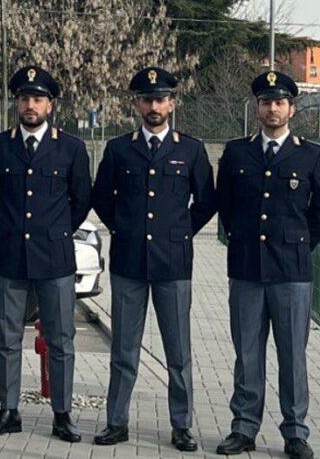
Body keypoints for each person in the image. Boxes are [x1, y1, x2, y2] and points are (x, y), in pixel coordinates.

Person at [91, 67, 217, 450]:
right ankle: (117, 421)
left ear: (172, 103)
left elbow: (207, 201)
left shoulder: (190, 149)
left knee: (178, 351)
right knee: (123, 349)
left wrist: (180, 233)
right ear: (136, 104)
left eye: (161, 99)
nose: (154, 106)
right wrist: (123, 229)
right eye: (147, 99)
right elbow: (101, 198)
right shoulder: (118, 149)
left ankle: (181, 425)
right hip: (129, 262)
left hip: (173, 265)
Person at [214, 71, 320, 459]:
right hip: (248, 268)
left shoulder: (311, 154)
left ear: (291, 109)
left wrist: (298, 245)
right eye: (266, 102)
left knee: (292, 355)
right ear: (257, 108)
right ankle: (244, 427)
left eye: (279, 102)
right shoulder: (236, 153)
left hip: (291, 272)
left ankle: (295, 433)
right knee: (247, 353)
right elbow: (227, 208)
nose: (272, 108)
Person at [0, 66, 92, 443]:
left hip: (55, 258)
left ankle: (62, 414)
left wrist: (52, 232)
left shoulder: (71, 147)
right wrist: (15, 229)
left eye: (37, 98)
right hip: (10, 255)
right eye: (24, 98)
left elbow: (81, 201)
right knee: (7, 337)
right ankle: (9, 410)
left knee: (60, 339)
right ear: (17, 102)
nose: (30, 105)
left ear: (50, 104)